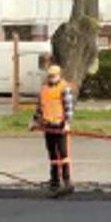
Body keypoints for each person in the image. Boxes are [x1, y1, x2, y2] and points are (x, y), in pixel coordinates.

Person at [32, 63, 76, 196]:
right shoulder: (44, 89)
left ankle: (67, 180)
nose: (52, 78)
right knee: (52, 154)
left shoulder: (64, 88)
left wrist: (67, 123)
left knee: (63, 154)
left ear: (59, 75)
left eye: (54, 76)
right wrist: (34, 121)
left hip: (60, 124)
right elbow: (40, 107)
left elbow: (68, 107)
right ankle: (55, 180)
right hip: (48, 125)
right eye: (50, 76)